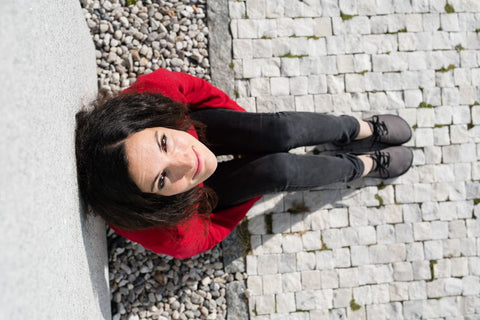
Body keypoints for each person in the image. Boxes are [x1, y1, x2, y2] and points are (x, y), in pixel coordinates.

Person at [75, 68, 413, 259]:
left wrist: (249, 129)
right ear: (151, 199)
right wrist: (252, 181)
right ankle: (363, 166)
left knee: (281, 130)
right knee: (277, 171)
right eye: (162, 178)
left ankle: (357, 128)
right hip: (193, 201)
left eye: (163, 143)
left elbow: (198, 91)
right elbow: (213, 230)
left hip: (195, 125)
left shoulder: (152, 96)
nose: (184, 161)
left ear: (150, 121)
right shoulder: (170, 231)